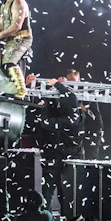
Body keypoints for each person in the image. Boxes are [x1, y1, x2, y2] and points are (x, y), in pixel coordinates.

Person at [37, 74, 84, 209]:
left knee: (61, 194)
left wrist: (59, 86)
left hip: (63, 158)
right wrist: (60, 87)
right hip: (59, 157)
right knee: (56, 193)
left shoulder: (72, 119)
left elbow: (46, 122)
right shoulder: (74, 113)